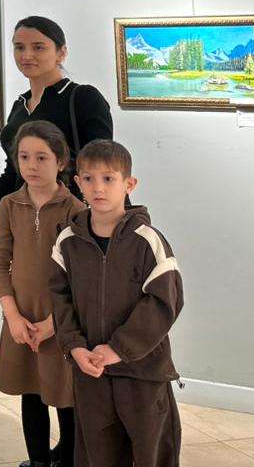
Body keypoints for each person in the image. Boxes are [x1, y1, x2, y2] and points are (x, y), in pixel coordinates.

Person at [50, 140, 183, 467]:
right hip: (91, 373)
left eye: (108, 179)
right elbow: (60, 300)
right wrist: (74, 347)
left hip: (143, 374)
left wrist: (119, 349)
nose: (98, 187)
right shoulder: (67, 242)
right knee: (97, 454)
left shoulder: (148, 241)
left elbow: (164, 302)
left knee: (152, 452)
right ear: (78, 183)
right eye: (89, 179)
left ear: (129, 184)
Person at [0, 120, 84, 467]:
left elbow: (82, 276)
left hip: (59, 320)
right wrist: (12, 315)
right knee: (30, 394)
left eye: (41, 157)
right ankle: (38, 461)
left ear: (61, 161)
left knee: (65, 398)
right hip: (21, 317)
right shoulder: (8, 205)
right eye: (24, 157)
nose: (31, 165)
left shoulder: (76, 211)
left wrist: (54, 323)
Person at [0, 16, 112, 204]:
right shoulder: (20, 106)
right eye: (19, 47)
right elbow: (13, 175)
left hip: (71, 212)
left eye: (38, 47)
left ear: (61, 53)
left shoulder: (83, 97)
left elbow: (103, 165)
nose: (27, 55)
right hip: (28, 214)